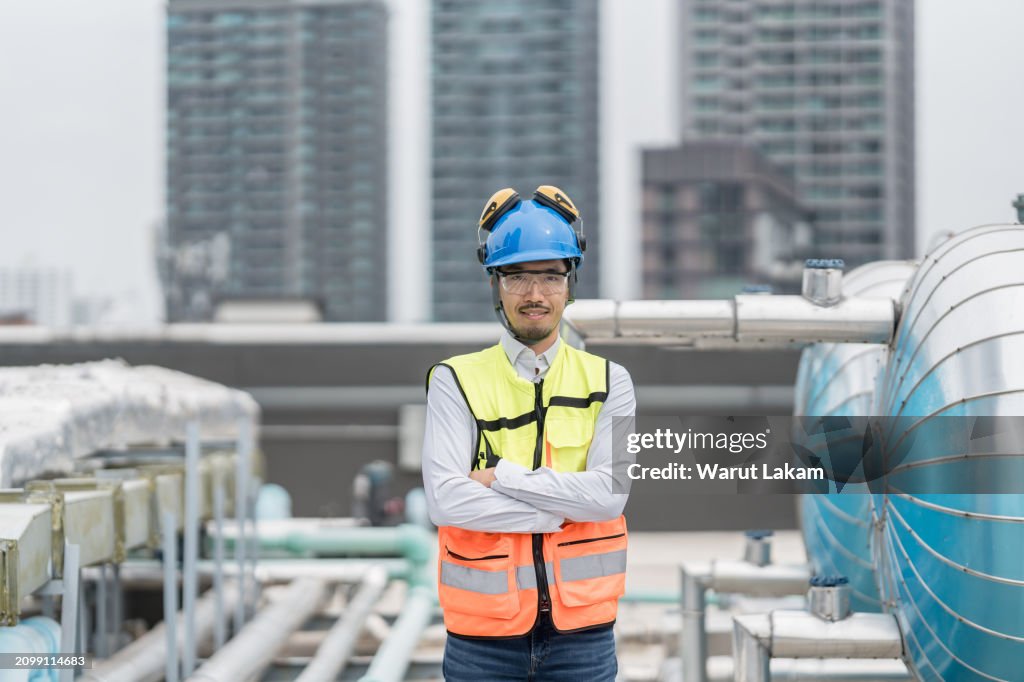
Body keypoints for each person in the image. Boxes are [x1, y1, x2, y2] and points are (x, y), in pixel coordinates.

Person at [422, 185, 636, 681]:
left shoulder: (612, 382)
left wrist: (501, 477)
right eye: (517, 277)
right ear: (496, 284)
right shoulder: (454, 380)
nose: (535, 294)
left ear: (570, 282)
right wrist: (558, 511)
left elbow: (610, 498)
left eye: (549, 276)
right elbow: (445, 502)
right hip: (482, 641)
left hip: (584, 636)